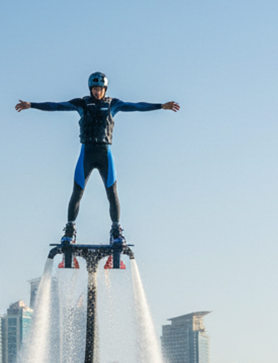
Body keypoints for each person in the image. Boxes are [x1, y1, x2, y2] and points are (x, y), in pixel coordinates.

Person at [15, 72, 179, 244]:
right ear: (90, 89)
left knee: (112, 193)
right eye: (94, 89)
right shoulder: (82, 104)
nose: (97, 92)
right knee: (77, 192)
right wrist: (31, 105)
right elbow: (56, 106)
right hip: (86, 153)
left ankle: (116, 231)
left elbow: (137, 106)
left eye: (100, 89)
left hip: (104, 154)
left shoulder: (113, 104)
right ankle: (70, 230)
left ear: (105, 89)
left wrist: (161, 106)